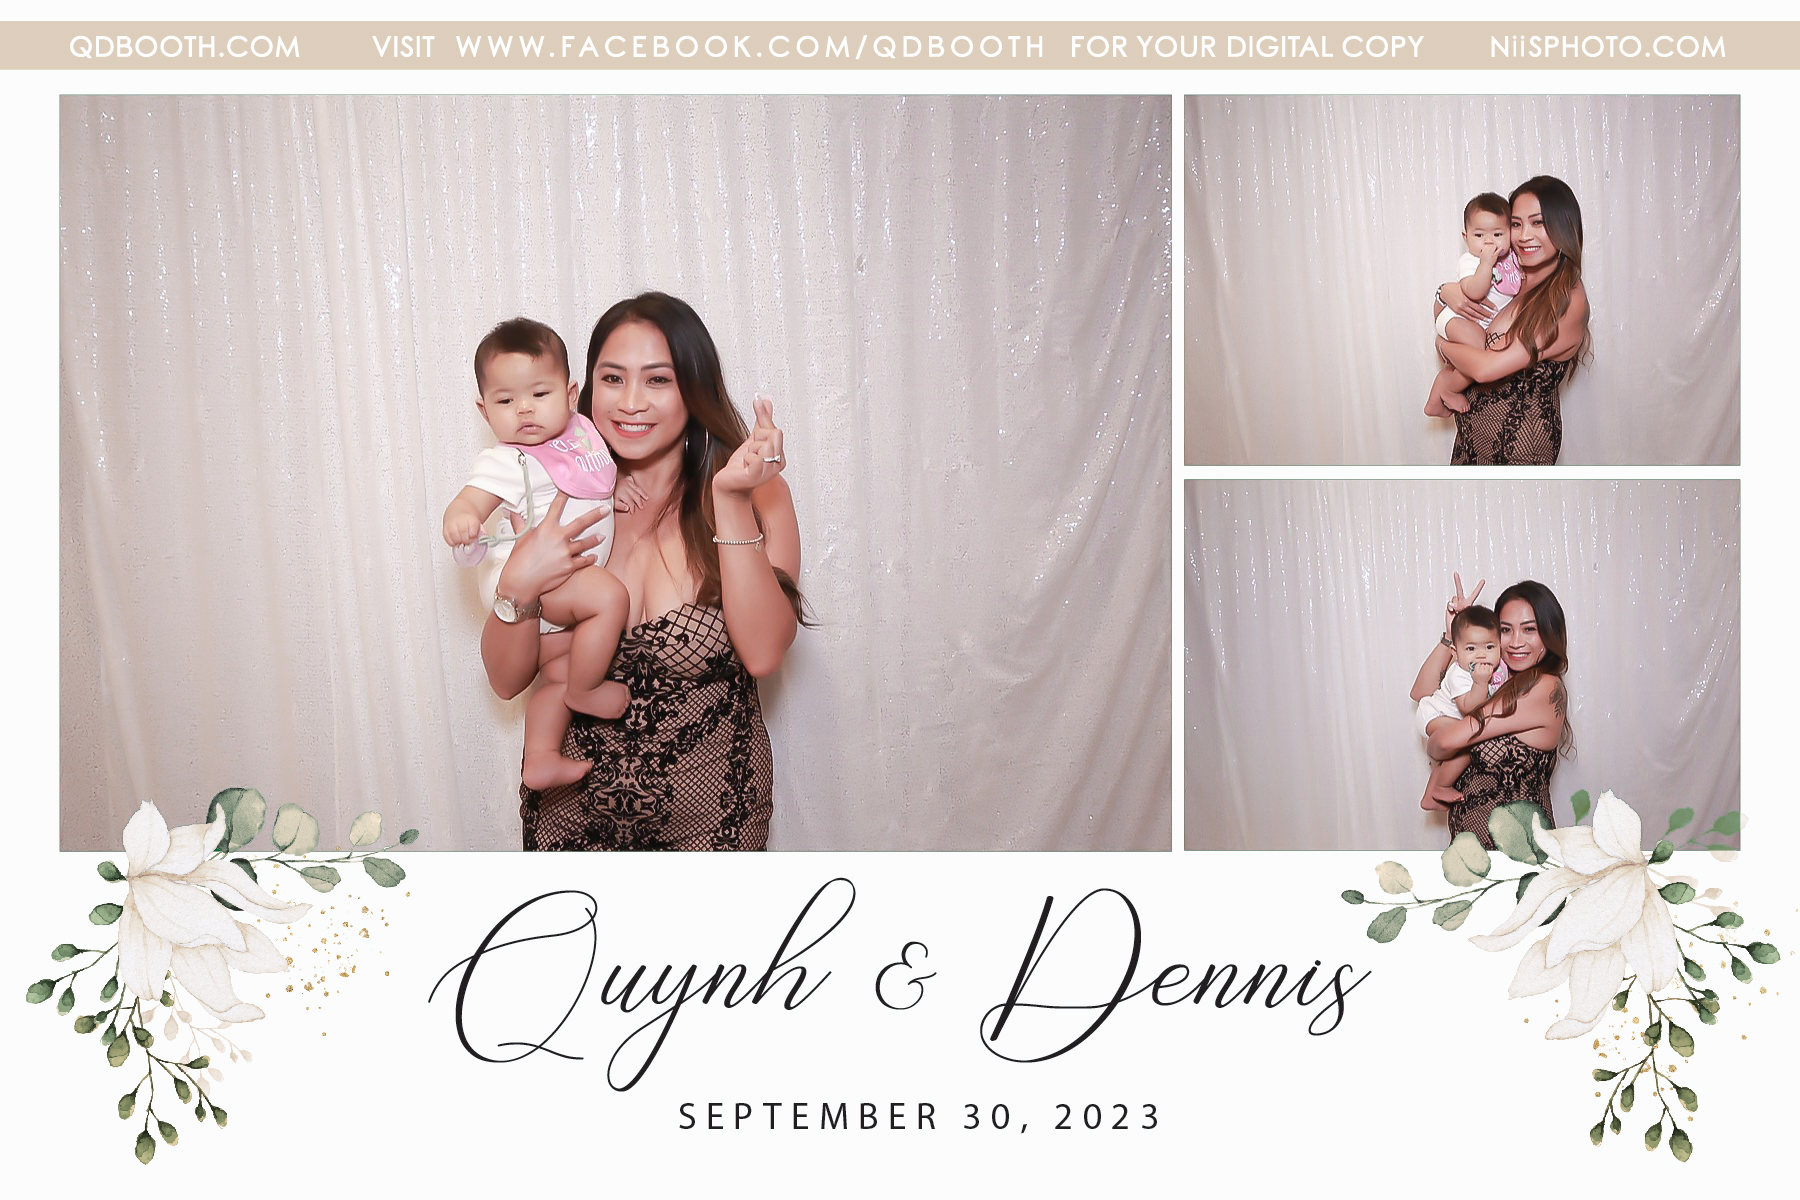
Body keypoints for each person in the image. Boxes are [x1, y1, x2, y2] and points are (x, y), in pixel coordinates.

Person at [479, 292, 804, 851]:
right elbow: (507, 682)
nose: (631, 403)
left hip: (713, 826)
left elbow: (763, 654)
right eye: (613, 378)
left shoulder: (757, 494)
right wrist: (517, 584)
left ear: (693, 388)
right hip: (570, 824)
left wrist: (729, 499)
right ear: (583, 390)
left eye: (658, 380)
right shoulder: (548, 499)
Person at [443, 318, 630, 791]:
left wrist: (615, 490)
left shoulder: (580, 437)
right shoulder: (508, 461)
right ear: (485, 410)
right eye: (506, 401)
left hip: (563, 587)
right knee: (610, 597)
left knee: (558, 671)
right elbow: (471, 500)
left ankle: (542, 757)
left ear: (570, 395)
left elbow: (589, 484)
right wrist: (462, 518)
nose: (524, 409)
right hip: (539, 583)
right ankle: (587, 690)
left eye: (539, 394)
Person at [1427, 177, 1591, 464]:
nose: (1524, 235)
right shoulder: (1512, 273)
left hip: (1520, 445)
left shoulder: (1567, 300)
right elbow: (1453, 316)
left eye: (1538, 223)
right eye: (1516, 224)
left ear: (1563, 226)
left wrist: (1441, 345)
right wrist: (1444, 293)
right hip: (1472, 438)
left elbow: (1485, 368)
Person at [1418, 576, 1572, 849]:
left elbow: (1441, 743)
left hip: (1519, 854)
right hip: (1471, 853)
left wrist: (1441, 745)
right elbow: (1423, 693)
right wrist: (1455, 634)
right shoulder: (1494, 679)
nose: (1516, 642)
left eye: (1529, 629)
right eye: (1505, 630)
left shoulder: (1543, 687)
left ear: (1549, 633)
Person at [1424, 193, 1521, 417]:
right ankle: (1447, 388)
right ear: (1466, 237)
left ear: (1510, 233)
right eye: (1479, 235)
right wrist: (1486, 264)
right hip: (1455, 319)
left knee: (1474, 357)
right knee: (1478, 350)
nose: (1489, 242)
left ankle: (1437, 398)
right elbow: (1474, 292)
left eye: (1498, 234)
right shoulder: (1471, 261)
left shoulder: (1511, 259)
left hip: (1477, 325)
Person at [1410, 602, 1507, 811]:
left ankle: (1429, 796)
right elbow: (1467, 707)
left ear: (1500, 646)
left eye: (1489, 647)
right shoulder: (1459, 674)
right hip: (1435, 713)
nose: (1481, 655)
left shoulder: (1499, 669)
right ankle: (1441, 787)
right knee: (1468, 744)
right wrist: (1480, 683)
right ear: (1455, 652)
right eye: (1471, 649)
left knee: (1463, 743)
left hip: (1450, 718)